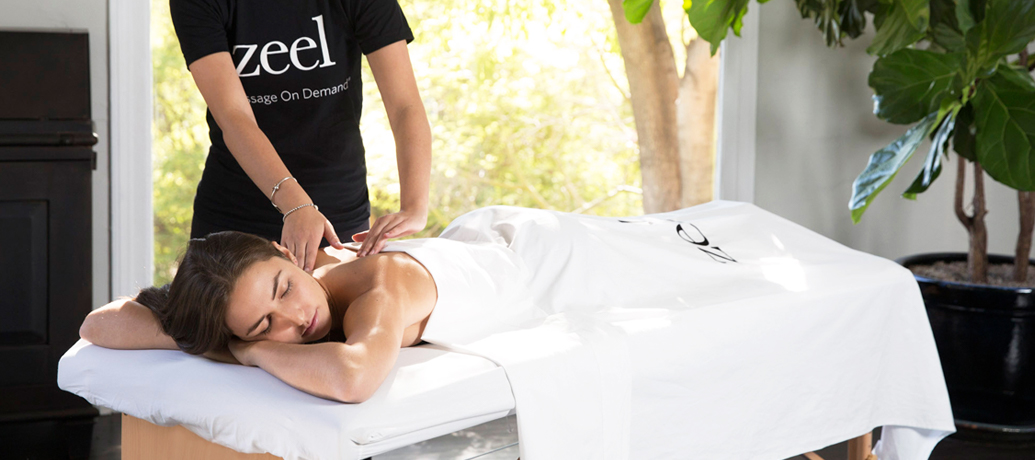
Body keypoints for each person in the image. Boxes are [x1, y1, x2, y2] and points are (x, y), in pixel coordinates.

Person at [79, 204, 749, 403]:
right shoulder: (273, 302)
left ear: (288, 255)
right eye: (264, 323)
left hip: (557, 259)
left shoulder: (379, 290)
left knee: (708, 263)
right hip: (484, 248)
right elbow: (99, 325)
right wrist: (204, 332)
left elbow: (352, 375)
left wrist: (249, 348)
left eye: (284, 290)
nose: (295, 320)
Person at [169, 0, 432, 274]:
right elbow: (234, 118)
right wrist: (296, 206)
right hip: (236, 219)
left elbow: (404, 106)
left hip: (337, 217)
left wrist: (414, 206)